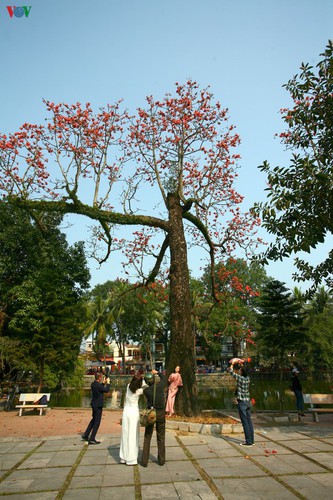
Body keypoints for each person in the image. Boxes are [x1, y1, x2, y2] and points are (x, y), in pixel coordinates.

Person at [141, 369, 167, 467]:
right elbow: (164, 378)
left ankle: (144, 461)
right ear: (154, 379)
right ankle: (161, 460)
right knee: (161, 436)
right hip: (160, 413)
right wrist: (157, 372)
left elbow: (144, 384)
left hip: (151, 414)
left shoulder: (146, 391)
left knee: (147, 436)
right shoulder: (160, 386)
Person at [228, 358, 254, 447]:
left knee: (245, 422)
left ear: (242, 372)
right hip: (247, 401)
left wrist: (232, 363)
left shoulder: (240, 379)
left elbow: (230, 372)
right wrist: (241, 363)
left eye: (240, 370)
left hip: (242, 402)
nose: (239, 370)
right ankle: (252, 440)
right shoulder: (248, 379)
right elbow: (245, 370)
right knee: (249, 421)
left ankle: (248, 441)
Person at [119, 374, 145, 465]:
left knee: (125, 433)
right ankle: (131, 458)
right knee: (133, 434)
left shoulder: (128, 387)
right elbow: (146, 384)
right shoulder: (139, 391)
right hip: (134, 412)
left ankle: (123, 457)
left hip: (126, 411)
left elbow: (133, 383)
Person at [82, 372, 110, 444]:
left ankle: (86, 434)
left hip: (94, 404)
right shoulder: (98, 385)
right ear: (100, 378)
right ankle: (92, 438)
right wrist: (108, 383)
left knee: (93, 420)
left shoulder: (93, 384)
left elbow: (100, 388)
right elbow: (106, 390)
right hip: (98, 405)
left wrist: (103, 383)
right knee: (97, 422)